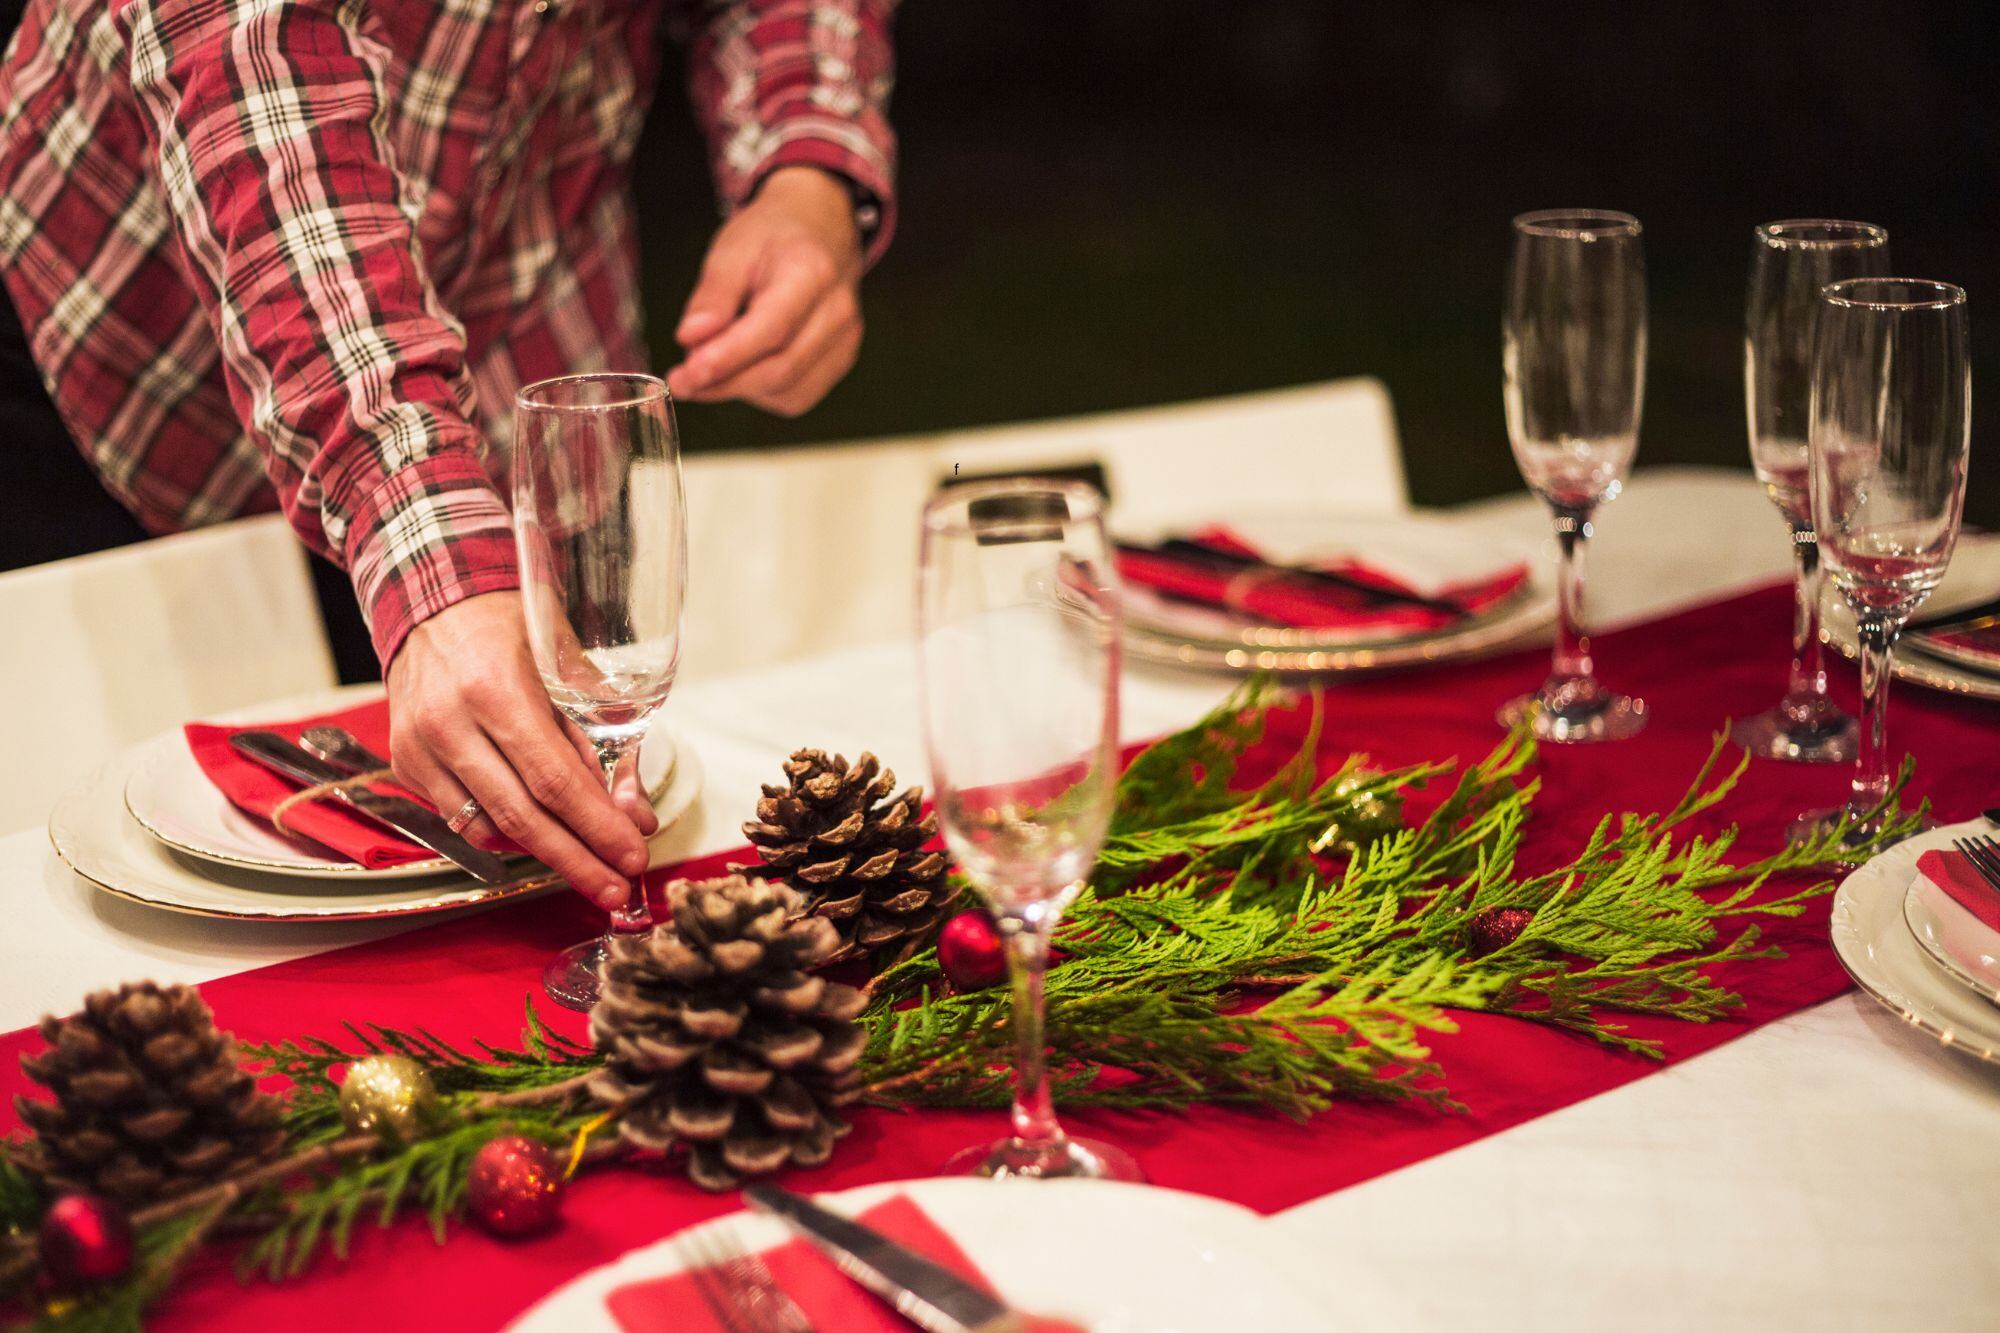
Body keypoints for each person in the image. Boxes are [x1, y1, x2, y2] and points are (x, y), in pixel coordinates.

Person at [0, 0, 895, 907]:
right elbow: (257, 70)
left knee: (498, 841)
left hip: (523, 321)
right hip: (127, 344)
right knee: (101, 867)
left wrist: (807, 164)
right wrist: (411, 513)